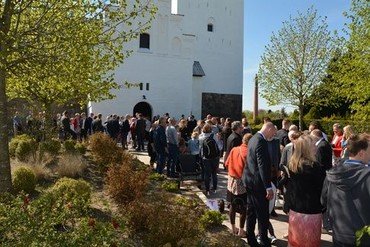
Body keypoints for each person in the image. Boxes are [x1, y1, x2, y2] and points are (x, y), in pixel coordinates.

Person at [321, 134, 370, 246]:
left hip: (339, 233)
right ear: (361, 153)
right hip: (363, 236)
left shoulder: (333, 172)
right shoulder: (367, 175)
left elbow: (323, 201)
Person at [284, 135, 326, 247]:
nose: (315, 146)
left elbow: (290, 187)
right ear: (307, 148)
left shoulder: (293, 164)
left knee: (295, 242)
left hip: (296, 209)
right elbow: (321, 189)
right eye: (313, 144)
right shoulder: (314, 167)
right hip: (311, 210)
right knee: (309, 242)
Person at [242, 122, 277, 247]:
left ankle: (251, 239)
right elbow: (262, 165)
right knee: (262, 214)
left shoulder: (252, 138)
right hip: (258, 184)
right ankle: (264, 240)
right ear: (269, 128)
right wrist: (268, 187)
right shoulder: (261, 141)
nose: (273, 135)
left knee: (251, 211)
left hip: (250, 181)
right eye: (273, 132)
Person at [225, 133, 253, 237]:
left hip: (231, 181)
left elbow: (226, 163)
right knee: (243, 207)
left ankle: (233, 229)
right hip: (242, 182)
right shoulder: (248, 152)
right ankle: (241, 231)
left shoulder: (234, 149)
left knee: (232, 205)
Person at [200, 123, 220, 196]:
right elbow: (218, 146)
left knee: (207, 174)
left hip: (206, 158)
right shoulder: (214, 136)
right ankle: (214, 188)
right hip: (215, 157)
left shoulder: (201, 136)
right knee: (214, 173)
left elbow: (200, 147)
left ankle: (207, 189)